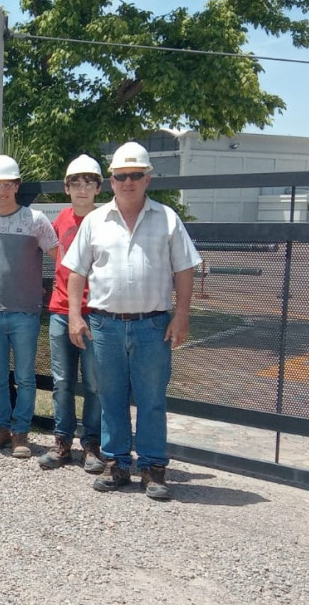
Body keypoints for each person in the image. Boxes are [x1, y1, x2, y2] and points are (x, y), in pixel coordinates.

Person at [64, 142, 200, 500]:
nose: (128, 182)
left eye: (135, 175)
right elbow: (76, 272)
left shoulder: (167, 219)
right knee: (111, 397)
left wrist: (182, 315)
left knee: (152, 398)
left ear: (147, 178)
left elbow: (184, 269)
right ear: (111, 180)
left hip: (152, 325)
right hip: (105, 325)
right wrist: (76, 315)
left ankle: (153, 468)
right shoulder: (95, 221)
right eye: (121, 176)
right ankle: (117, 463)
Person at [0, 154, 59, 459]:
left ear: (16, 186)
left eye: (6, 185)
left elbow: (58, 256)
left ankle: (21, 431)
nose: (0, 191)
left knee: (24, 376)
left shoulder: (35, 220)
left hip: (25, 312)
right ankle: (2, 428)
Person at [36, 155, 106, 473]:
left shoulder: (106, 220)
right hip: (61, 310)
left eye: (88, 182)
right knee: (62, 381)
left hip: (95, 312)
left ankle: (91, 443)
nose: (82, 189)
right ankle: (62, 441)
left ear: (98, 187)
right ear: (66, 188)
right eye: (75, 183)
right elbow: (51, 250)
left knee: (93, 383)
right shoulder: (61, 219)